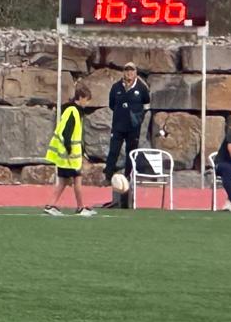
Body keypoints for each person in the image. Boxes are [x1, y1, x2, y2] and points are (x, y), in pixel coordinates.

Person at [43, 84, 95, 217]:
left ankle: (51, 205)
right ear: (81, 98)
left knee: (64, 181)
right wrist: (69, 148)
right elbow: (67, 132)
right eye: (87, 100)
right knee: (77, 179)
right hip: (69, 155)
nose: (87, 103)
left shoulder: (72, 111)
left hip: (69, 154)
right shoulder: (73, 111)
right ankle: (80, 207)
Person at [104, 62, 151, 190]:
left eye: (131, 71)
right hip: (118, 125)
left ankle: (128, 177)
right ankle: (108, 177)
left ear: (136, 73)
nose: (129, 73)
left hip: (133, 126)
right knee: (114, 150)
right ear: (123, 72)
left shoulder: (141, 88)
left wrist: (138, 116)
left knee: (131, 152)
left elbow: (146, 105)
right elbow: (112, 104)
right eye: (127, 70)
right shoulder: (116, 87)